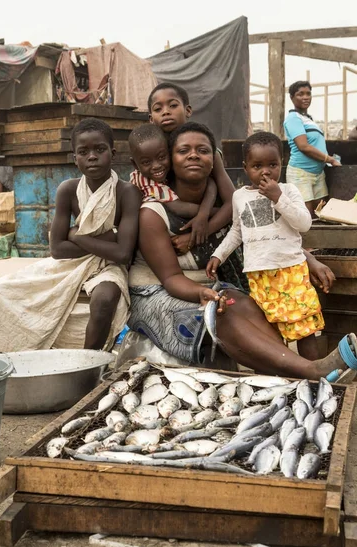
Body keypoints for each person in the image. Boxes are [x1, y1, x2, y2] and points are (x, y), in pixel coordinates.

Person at [128, 121, 356, 380]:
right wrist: (203, 292)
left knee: (247, 305)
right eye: (183, 151)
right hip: (159, 290)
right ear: (170, 159)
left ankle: (289, 374)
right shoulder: (152, 213)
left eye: (202, 150)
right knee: (223, 313)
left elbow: (264, 235)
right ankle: (312, 371)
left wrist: (309, 258)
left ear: (213, 160)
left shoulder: (233, 200)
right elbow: (170, 279)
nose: (194, 155)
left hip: (209, 285)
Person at [0, 118, 142, 352]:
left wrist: (77, 237)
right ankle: (11, 355)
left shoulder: (126, 192)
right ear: (74, 158)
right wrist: (109, 238)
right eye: (83, 152)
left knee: (105, 299)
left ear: (113, 153)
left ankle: (88, 362)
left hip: (109, 266)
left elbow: (123, 253)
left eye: (100, 149)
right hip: (71, 263)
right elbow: (57, 249)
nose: (92, 157)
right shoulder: (68, 190)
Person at [206, 131, 324, 361]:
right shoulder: (240, 197)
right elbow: (237, 232)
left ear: (283, 163)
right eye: (257, 166)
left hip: (291, 271)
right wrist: (218, 255)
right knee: (270, 332)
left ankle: (314, 375)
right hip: (259, 276)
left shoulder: (289, 191)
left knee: (303, 329)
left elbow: (304, 224)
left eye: (272, 164)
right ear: (245, 167)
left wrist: (278, 198)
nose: (265, 171)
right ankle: (284, 375)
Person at [148, 82, 236, 254]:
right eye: (158, 109)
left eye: (173, 105)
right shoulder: (152, 155)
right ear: (151, 118)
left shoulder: (206, 149)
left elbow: (232, 202)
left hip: (212, 228)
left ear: (188, 110)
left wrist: (203, 222)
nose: (166, 111)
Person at [128, 123, 217, 247]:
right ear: (135, 164)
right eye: (147, 162)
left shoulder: (161, 172)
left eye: (161, 157)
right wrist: (208, 213)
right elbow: (178, 207)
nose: (156, 165)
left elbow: (211, 183)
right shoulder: (148, 183)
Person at [284, 80, 341, 217]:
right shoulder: (293, 118)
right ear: (292, 97)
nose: (305, 97)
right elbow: (303, 146)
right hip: (301, 174)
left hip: (318, 174)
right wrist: (330, 159)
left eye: (308, 94)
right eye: (300, 94)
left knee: (321, 214)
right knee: (306, 217)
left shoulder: (309, 120)